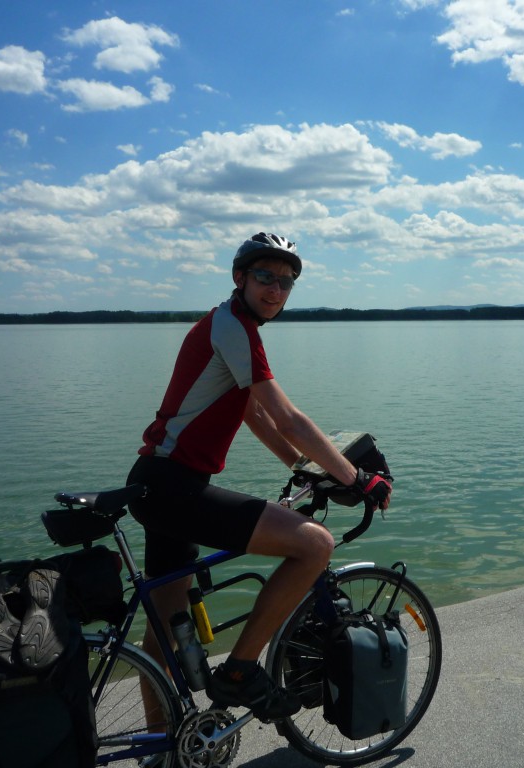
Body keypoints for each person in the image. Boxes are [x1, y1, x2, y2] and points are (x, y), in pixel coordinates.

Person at [126, 232, 392, 721]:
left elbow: (252, 414)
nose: (275, 290)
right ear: (240, 278)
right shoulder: (233, 328)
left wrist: (301, 468)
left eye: (286, 282)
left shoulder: (227, 326)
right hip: (175, 488)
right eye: (265, 277)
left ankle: (163, 748)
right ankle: (240, 670)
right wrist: (357, 478)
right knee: (315, 544)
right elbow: (287, 417)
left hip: (157, 486)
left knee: (162, 632)